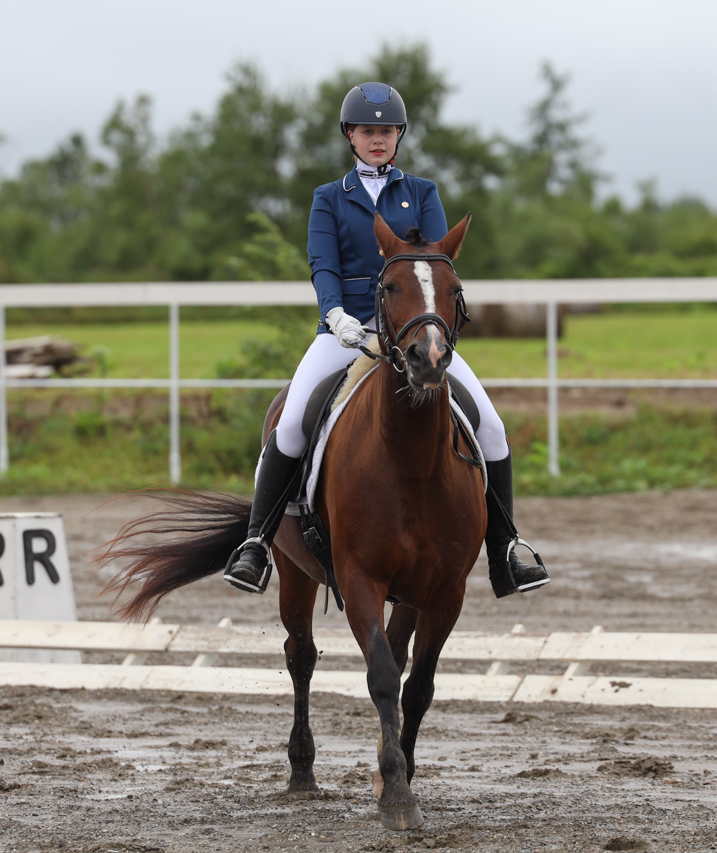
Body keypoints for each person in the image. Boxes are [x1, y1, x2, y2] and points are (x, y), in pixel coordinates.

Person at [223, 82, 550, 600]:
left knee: (490, 426)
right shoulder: (329, 198)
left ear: (398, 136)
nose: (378, 139)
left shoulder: (421, 192)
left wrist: (429, 323)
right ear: (351, 136)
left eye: (387, 131)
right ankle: (257, 543)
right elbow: (323, 265)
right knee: (289, 425)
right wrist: (334, 315)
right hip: (347, 330)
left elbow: (438, 259)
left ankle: (506, 548)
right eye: (368, 131)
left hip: (415, 331)